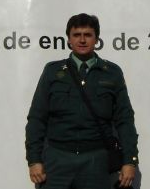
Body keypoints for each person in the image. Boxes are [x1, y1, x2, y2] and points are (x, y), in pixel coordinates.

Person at [25, 13, 139, 189]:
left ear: (96, 39)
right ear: (69, 40)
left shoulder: (112, 73)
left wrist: (130, 161)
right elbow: (36, 118)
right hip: (57, 161)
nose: (82, 40)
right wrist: (34, 160)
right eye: (76, 35)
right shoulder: (52, 71)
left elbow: (124, 119)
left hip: (95, 161)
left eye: (88, 35)